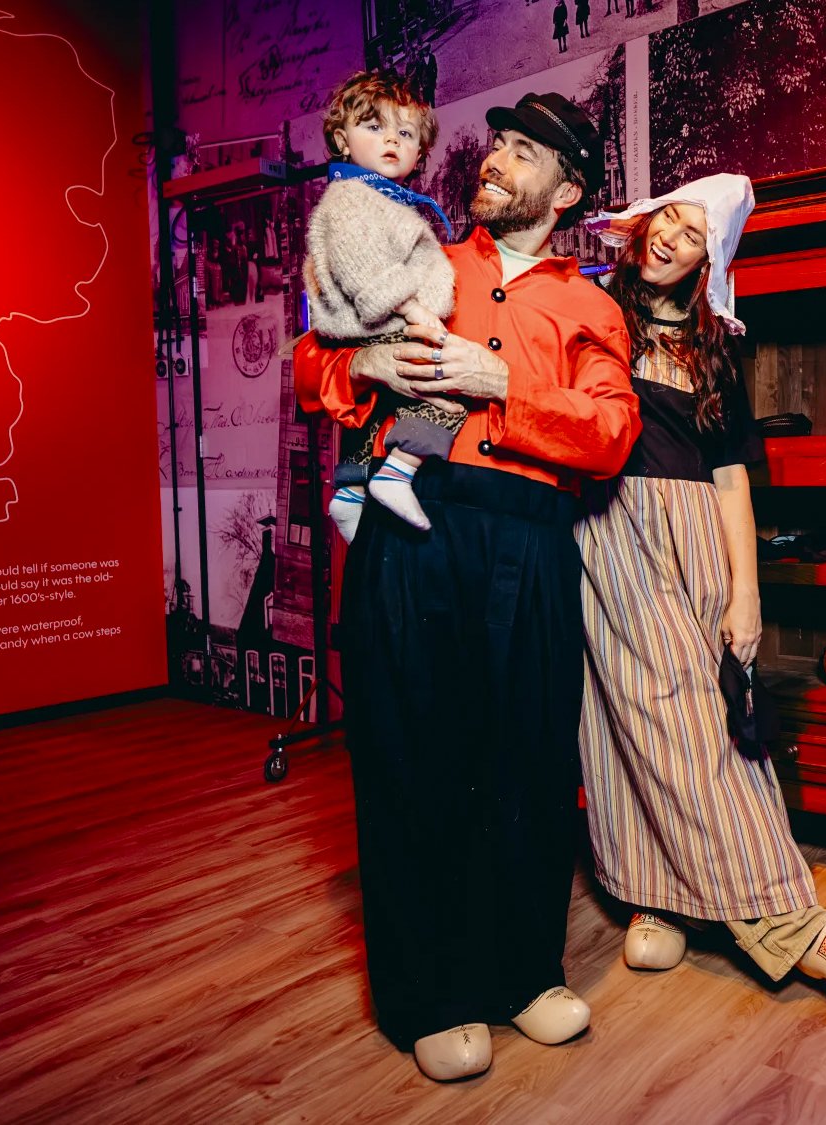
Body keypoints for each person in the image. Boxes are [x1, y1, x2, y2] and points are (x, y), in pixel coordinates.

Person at [294, 91, 641, 1082]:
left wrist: (503, 390)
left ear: (566, 189)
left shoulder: (591, 306)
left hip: (528, 537)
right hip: (410, 519)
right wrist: (361, 363)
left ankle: (523, 974)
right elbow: (312, 365)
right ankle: (431, 995)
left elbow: (611, 434)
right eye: (495, 143)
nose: (493, 159)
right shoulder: (423, 258)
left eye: (522, 151)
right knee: (412, 756)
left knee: (529, 758)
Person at [576, 175, 826, 1000]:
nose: (669, 240)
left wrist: (745, 593)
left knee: (710, 709)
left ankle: (664, 898)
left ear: (707, 260)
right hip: (612, 527)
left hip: (698, 541)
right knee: (651, 706)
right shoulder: (589, 315)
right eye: (666, 222)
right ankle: (788, 918)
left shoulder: (714, 343)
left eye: (692, 235)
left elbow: (731, 480)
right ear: (642, 224)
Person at [305, 70, 457, 539]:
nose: (391, 139)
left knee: (373, 413)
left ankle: (350, 492)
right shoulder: (352, 198)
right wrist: (414, 312)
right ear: (341, 139)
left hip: (376, 327)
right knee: (447, 399)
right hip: (386, 322)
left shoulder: (377, 197)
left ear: (419, 153)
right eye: (374, 127)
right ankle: (396, 473)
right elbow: (366, 271)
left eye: (405, 133)